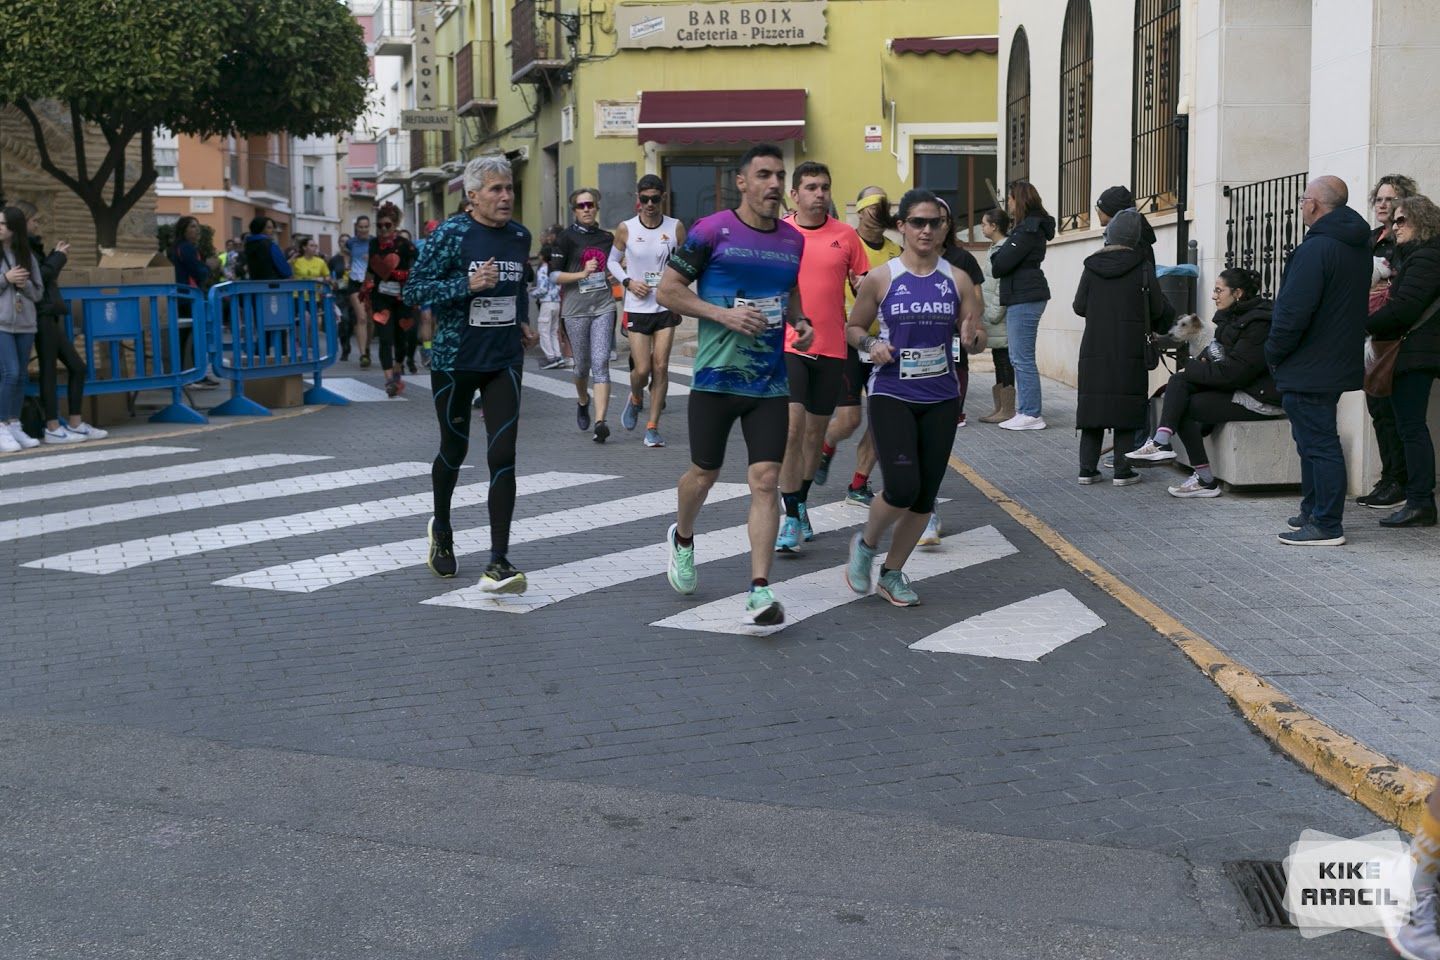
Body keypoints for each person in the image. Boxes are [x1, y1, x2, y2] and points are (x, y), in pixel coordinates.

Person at [657, 142, 813, 626]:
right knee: (703, 474)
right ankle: (682, 537)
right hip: (715, 380)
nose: (773, 184)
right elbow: (668, 290)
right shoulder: (712, 231)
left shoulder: (793, 240)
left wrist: (800, 320)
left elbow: (789, 289)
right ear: (742, 182)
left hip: (768, 382)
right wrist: (722, 314)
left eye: (778, 175)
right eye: (763, 175)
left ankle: (760, 590)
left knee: (766, 481)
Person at [403, 154, 537, 594]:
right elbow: (414, 290)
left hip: (503, 361)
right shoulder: (450, 235)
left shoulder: (519, 236)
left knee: (503, 457)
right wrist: (466, 285)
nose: (506, 197)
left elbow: (516, 289)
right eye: (496, 189)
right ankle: (441, 527)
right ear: (472, 194)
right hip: (455, 361)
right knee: (453, 451)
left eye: (510, 188)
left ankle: (498, 561)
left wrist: (520, 321)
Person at [842, 189, 981, 606]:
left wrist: (973, 338)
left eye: (935, 222)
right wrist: (870, 346)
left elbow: (974, 334)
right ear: (901, 226)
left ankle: (892, 573)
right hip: (892, 393)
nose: (926, 229)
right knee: (901, 487)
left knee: (924, 496)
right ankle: (866, 545)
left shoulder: (957, 279)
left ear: (943, 230)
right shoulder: (881, 278)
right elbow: (853, 329)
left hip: (940, 396)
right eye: (917, 222)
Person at [1265, 175, 1371, 546]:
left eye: (1302, 199)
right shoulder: (1356, 246)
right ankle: (1312, 511)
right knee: (1312, 440)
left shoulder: (1317, 248)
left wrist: (1273, 351)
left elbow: (1293, 311)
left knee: (1319, 443)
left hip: (1309, 362)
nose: (1301, 205)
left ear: (1313, 204)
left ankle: (1326, 523)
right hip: (1332, 360)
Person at [774, 162, 870, 552]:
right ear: (795, 195)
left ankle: (799, 503)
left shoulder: (847, 237)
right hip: (789, 344)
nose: (819, 193)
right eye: (811, 187)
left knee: (815, 434)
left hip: (833, 348)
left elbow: (863, 285)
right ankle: (791, 516)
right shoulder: (779, 233)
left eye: (824, 187)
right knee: (793, 429)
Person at [1126, 267, 1281, 496]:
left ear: (1237, 293)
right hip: (1237, 387)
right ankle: (1163, 442)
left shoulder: (1259, 323)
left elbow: (1234, 373)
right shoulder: (1231, 317)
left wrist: (1193, 367)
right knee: (1178, 382)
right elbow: (1217, 358)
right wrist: (1197, 366)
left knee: (1184, 400)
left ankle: (1202, 477)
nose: (1214, 296)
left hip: (1258, 397)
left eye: (1219, 290)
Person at [1071, 209, 1174, 486]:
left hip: (1094, 346)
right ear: (1135, 237)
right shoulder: (1142, 267)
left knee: (1094, 405)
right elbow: (1156, 308)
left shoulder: (1091, 266)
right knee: (1127, 406)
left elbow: (1079, 306)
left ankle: (1086, 469)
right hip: (1129, 346)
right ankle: (1122, 470)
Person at [814, 185, 900, 508]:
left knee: (883, 423)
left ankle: (858, 484)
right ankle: (826, 445)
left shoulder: (895, 251)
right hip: (849, 341)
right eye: (874, 205)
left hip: (885, 346)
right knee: (849, 420)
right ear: (861, 210)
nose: (879, 211)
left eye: (885, 204)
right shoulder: (844, 243)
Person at [1364, 194, 1440, 528]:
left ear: (1422, 220)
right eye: (1394, 221)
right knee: (1408, 426)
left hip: (1416, 352)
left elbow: (1406, 308)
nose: (1395, 227)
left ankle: (1421, 501)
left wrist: (1363, 324)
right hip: (1416, 350)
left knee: (1411, 428)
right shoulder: (1416, 256)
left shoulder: (1425, 257)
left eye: (1401, 220)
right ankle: (1418, 499)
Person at [16, 201, 105, 444]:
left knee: (75, 367)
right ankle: (53, 426)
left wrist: (55, 256)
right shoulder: (21, 249)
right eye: (34, 220)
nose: (37, 225)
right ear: (24, 222)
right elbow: (39, 278)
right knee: (51, 370)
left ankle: (73, 423)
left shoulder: (31, 247)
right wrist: (58, 258)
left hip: (47, 313)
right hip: (40, 313)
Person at [1358, 173, 1421, 510]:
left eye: (1390, 199)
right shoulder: (1370, 238)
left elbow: (1398, 286)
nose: (1382, 204)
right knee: (1377, 409)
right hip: (1370, 332)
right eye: (1379, 199)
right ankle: (1389, 476)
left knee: (1391, 410)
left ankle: (1400, 480)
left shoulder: (1404, 239)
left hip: (1392, 334)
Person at [608, 174, 686, 448]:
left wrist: (677, 286)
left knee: (661, 366)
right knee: (641, 370)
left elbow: (683, 263)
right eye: (645, 199)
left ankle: (652, 427)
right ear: (637, 200)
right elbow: (612, 262)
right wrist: (628, 282)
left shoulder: (675, 227)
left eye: (655, 198)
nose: (650, 204)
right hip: (637, 307)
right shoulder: (626, 228)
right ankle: (636, 396)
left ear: (662, 197)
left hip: (666, 306)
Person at [550, 188, 616, 443]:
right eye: (581, 206)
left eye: (590, 204)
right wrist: (582, 274)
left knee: (601, 362)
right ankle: (582, 399)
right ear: (575, 210)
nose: (587, 209)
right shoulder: (565, 239)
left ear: (597, 207)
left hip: (603, 306)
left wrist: (614, 273)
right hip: (575, 309)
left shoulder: (607, 238)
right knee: (582, 365)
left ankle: (601, 422)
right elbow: (554, 275)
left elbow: (614, 266)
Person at [990, 180, 1055, 430]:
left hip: (1025, 296)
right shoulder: (1028, 228)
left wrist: (998, 253)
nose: (1009, 204)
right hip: (1025, 294)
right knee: (1020, 357)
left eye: (1011, 199)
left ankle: (1031, 413)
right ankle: (1026, 411)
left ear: (1020, 200)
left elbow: (1000, 265)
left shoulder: (1027, 230)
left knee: (1021, 357)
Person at [0, 207, 44, 453]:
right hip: (2, 324)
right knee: (10, 373)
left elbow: (38, 293)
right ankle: (1, 423)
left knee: (21, 376)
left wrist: (23, 283)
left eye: (3, 224)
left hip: (26, 324)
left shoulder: (27, 256)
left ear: (14, 229)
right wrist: (5, 278)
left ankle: (14, 422)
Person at [365, 203, 419, 397]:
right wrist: (366, 293)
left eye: (387, 225)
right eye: (379, 226)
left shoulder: (406, 245)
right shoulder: (373, 244)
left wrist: (405, 278)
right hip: (381, 299)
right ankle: (389, 380)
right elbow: (371, 270)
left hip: (403, 299)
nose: (383, 230)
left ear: (395, 224)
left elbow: (416, 270)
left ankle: (397, 369)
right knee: (385, 339)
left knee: (402, 339)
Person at [978, 207, 1013, 423]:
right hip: (991, 313)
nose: (982, 227)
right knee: (997, 359)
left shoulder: (1004, 249)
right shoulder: (994, 248)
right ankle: (999, 407)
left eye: (984, 224)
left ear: (994, 226)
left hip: (998, 315)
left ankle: (1007, 409)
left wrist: (993, 313)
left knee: (1005, 360)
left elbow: (1002, 284)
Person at [1095, 185, 1157, 265]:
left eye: (1099, 208)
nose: (1097, 212)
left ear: (1109, 210)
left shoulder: (1126, 238)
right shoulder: (1134, 232)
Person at [533, 235, 563, 369]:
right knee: (553, 331)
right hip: (557, 302)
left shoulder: (543, 270)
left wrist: (532, 293)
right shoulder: (557, 269)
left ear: (542, 256)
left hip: (546, 303)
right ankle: (558, 356)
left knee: (544, 330)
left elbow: (542, 289)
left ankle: (550, 358)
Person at [346, 216, 373, 366]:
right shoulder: (351, 242)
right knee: (361, 318)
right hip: (355, 283)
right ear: (356, 227)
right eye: (360, 227)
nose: (363, 230)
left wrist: (372, 259)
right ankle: (363, 355)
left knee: (370, 320)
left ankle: (367, 347)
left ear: (369, 227)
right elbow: (347, 257)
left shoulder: (374, 242)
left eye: (366, 227)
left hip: (370, 283)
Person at [242, 216, 292, 281]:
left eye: (273, 227)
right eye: (269, 228)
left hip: (254, 285)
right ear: (260, 228)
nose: (273, 230)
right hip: (274, 285)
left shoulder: (248, 245)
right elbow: (284, 270)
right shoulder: (270, 245)